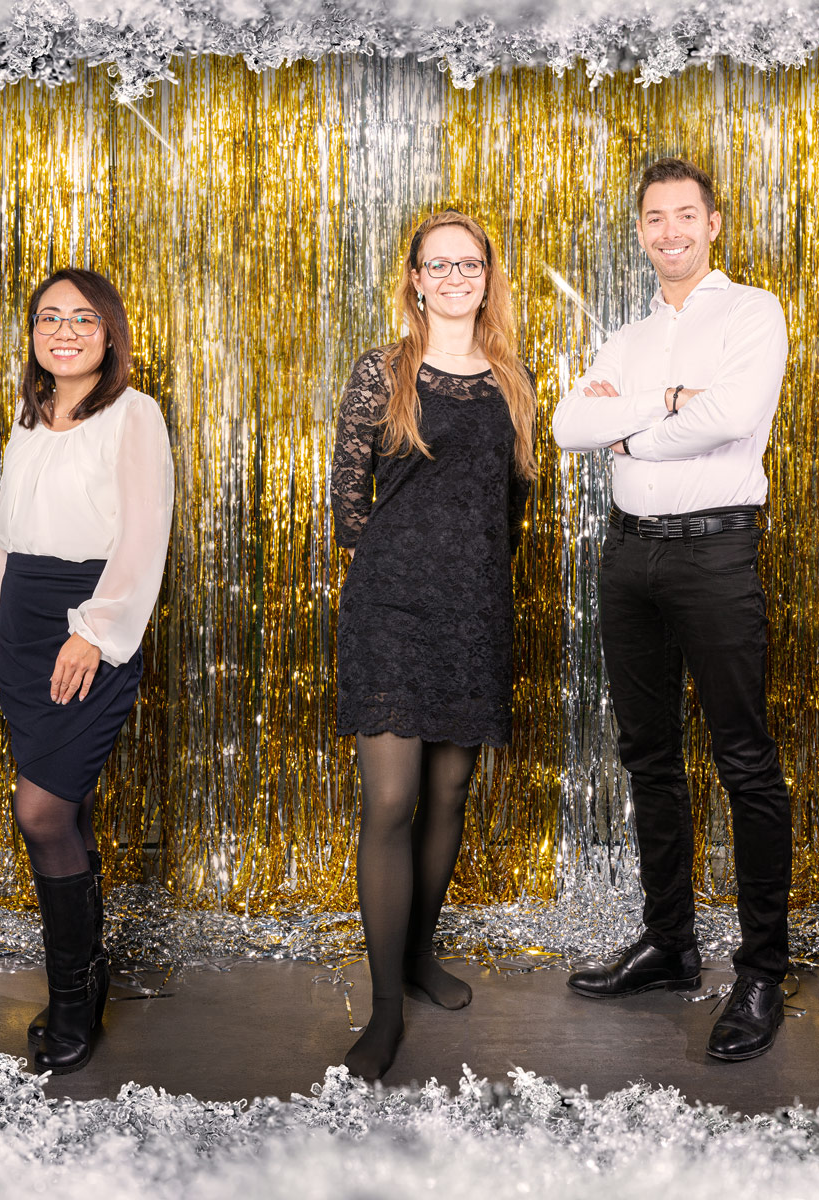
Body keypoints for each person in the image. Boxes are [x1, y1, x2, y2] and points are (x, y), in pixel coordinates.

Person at [554, 157, 792, 1062]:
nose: (670, 232)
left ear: (713, 223)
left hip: (716, 551)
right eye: (655, 218)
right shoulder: (629, 335)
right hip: (629, 556)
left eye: (685, 215)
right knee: (647, 755)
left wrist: (632, 432)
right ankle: (669, 945)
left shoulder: (752, 312)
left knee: (744, 759)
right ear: (641, 231)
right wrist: (660, 403)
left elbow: (731, 417)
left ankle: (761, 970)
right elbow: (570, 426)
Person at [331, 209, 536, 1081]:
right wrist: (407, 558)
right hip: (391, 608)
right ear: (414, 279)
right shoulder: (384, 371)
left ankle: (419, 958)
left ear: (488, 277)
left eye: (470, 263)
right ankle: (385, 1006)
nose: (455, 277)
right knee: (391, 799)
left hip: (475, 610)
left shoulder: (514, 379)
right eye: (438, 264)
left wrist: (470, 573)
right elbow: (348, 502)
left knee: (449, 792)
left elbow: (513, 506)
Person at [0, 268, 173, 1075]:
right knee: (67, 808)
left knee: (42, 809)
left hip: (89, 617)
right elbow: (6, 525)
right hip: (22, 621)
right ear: (33, 335)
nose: (65, 331)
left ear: (110, 333)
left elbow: (144, 535)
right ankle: (83, 979)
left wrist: (94, 631)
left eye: (83, 319)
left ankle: (75, 997)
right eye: (49, 318)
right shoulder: (29, 414)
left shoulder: (134, 413)